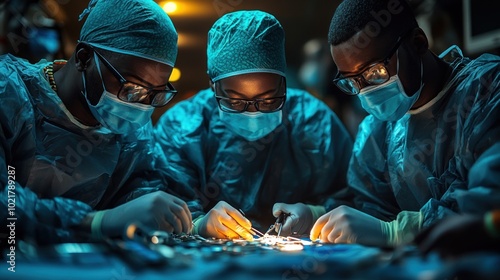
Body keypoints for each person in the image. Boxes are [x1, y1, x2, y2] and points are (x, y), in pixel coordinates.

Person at [0, 0, 192, 246]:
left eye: (155, 93)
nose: (140, 105)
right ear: (84, 58)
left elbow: (142, 188)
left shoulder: (130, 128)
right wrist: (95, 222)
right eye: (131, 88)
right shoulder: (9, 92)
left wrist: (190, 220)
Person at [310, 0, 500, 247]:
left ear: (418, 43)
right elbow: (368, 212)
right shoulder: (376, 131)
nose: (365, 91)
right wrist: (317, 215)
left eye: (375, 72)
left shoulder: (486, 91)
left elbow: (488, 207)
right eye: (353, 82)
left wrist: (398, 232)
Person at [154, 10, 353, 240]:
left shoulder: (314, 122)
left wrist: (315, 213)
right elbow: (159, 207)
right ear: (212, 86)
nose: (252, 113)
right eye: (236, 101)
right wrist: (197, 224)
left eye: (268, 100)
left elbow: (355, 199)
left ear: (283, 84)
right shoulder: (182, 128)